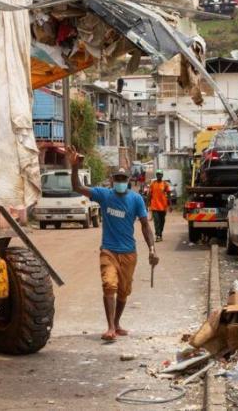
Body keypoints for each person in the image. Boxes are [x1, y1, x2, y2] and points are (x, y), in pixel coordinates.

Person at [67, 146, 159, 342]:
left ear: (128, 182)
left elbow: (145, 226)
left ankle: (116, 324)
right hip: (108, 250)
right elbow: (77, 187)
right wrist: (74, 167)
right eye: (117, 179)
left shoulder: (136, 200)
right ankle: (109, 327)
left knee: (124, 291)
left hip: (129, 253)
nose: (120, 182)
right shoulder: (104, 195)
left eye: (123, 180)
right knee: (109, 285)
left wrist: (152, 248)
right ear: (112, 181)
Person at [148, 169, 171, 242]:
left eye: (160, 174)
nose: (159, 175)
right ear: (156, 175)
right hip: (154, 206)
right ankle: (158, 235)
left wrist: (170, 205)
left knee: (162, 221)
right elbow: (149, 194)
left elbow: (169, 194)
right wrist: (147, 203)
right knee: (156, 221)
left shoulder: (165, 184)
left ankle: (160, 234)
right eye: (157, 174)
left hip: (163, 206)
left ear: (162, 175)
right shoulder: (153, 184)